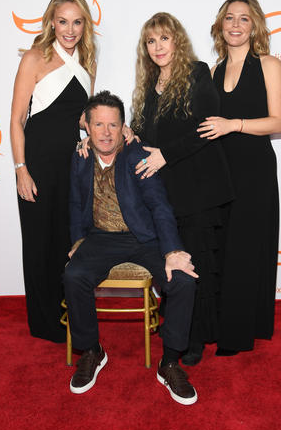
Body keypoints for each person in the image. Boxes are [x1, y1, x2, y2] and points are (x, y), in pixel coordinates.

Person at [63, 91, 198, 405]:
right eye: (99, 125)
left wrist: (172, 250)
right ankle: (92, 351)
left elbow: (159, 205)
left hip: (143, 238)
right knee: (73, 276)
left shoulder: (136, 154)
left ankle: (170, 363)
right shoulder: (80, 157)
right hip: (99, 239)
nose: (106, 132)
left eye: (113, 125)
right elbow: (75, 203)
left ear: (124, 127)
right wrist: (77, 241)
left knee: (183, 281)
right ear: (87, 126)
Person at [131, 12, 234, 365]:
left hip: (200, 189)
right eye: (150, 41)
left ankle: (195, 339)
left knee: (197, 263)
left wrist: (165, 156)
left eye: (164, 38)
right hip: (169, 193)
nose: (158, 47)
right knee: (175, 264)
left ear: (177, 40)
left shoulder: (196, 72)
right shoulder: (148, 85)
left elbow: (206, 129)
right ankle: (178, 326)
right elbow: (146, 136)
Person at [197, 0, 281, 355]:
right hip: (222, 171)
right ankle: (219, 325)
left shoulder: (269, 64)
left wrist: (234, 123)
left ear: (255, 26)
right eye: (229, 18)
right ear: (221, 25)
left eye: (243, 19)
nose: (235, 24)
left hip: (255, 170)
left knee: (247, 248)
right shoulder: (214, 69)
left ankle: (240, 332)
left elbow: (278, 121)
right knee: (224, 251)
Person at [10, 0, 96, 342]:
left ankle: (68, 316)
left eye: (77, 22)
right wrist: (21, 168)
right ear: (51, 23)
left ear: (84, 25)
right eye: (63, 21)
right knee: (39, 243)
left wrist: (112, 127)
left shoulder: (87, 61)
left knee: (66, 242)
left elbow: (77, 117)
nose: (70, 29)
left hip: (72, 166)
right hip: (39, 164)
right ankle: (45, 324)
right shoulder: (34, 58)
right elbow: (17, 119)